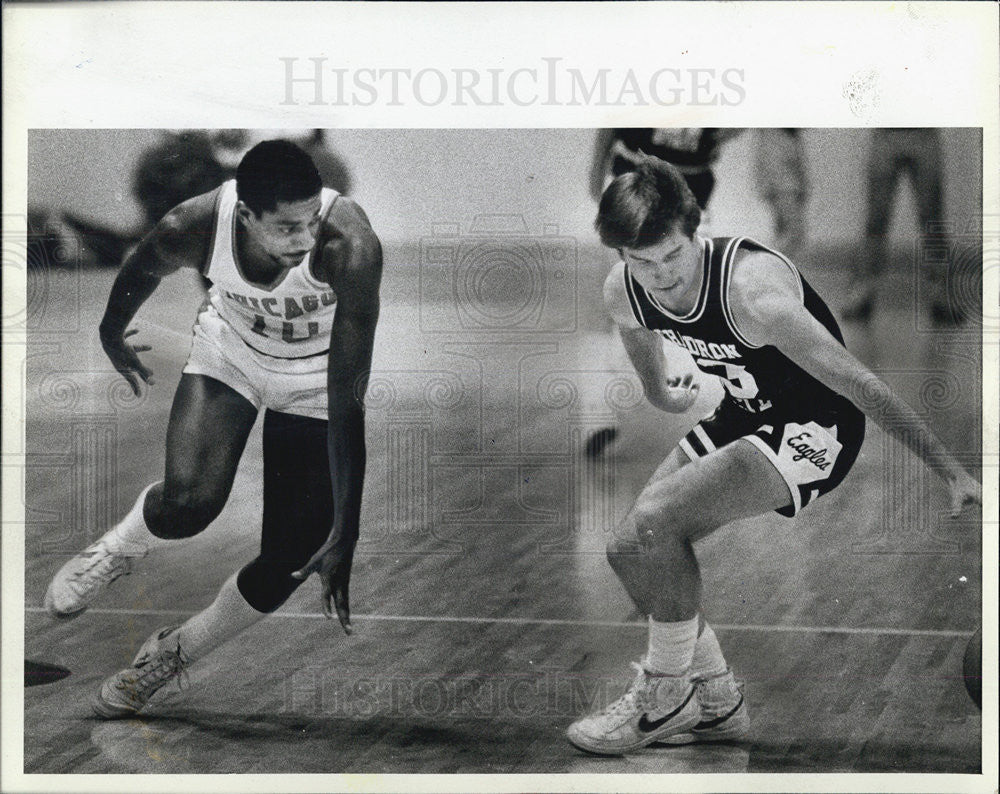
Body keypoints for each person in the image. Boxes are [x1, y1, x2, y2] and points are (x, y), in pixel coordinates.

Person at [565, 155, 981, 755]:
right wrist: (659, 391)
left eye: (673, 256)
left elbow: (858, 383)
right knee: (628, 546)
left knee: (656, 521)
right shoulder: (624, 288)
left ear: (697, 227)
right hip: (745, 411)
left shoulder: (753, 292)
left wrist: (950, 470)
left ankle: (663, 702)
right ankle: (717, 704)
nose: (662, 276)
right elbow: (636, 331)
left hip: (817, 426)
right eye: (642, 262)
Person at [43, 139, 383, 718]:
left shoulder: (349, 246)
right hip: (233, 353)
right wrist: (110, 332)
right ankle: (119, 546)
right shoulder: (194, 223)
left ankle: (174, 653)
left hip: (315, 377)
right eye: (285, 227)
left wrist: (346, 526)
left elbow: (347, 397)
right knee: (190, 505)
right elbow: (141, 265)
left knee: (298, 553)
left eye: (310, 221)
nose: (303, 240)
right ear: (245, 215)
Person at [585, 129, 740, 458]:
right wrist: (596, 179)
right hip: (634, 199)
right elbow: (609, 127)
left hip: (690, 201)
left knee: (699, 302)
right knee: (626, 305)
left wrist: (710, 139)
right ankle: (606, 411)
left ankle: (730, 413)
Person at [843, 128, 951, 322]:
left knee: (932, 217)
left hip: (925, 131)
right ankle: (863, 292)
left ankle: (941, 294)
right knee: (876, 218)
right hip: (886, 132)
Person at [753, 129, 809, 260]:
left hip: (785, 186)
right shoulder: (774, 135)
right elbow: (773, 167)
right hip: (784, 187)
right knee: (794, 233)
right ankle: (769, 265)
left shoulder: (783, 136)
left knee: (784, 233)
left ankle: (772, 266)